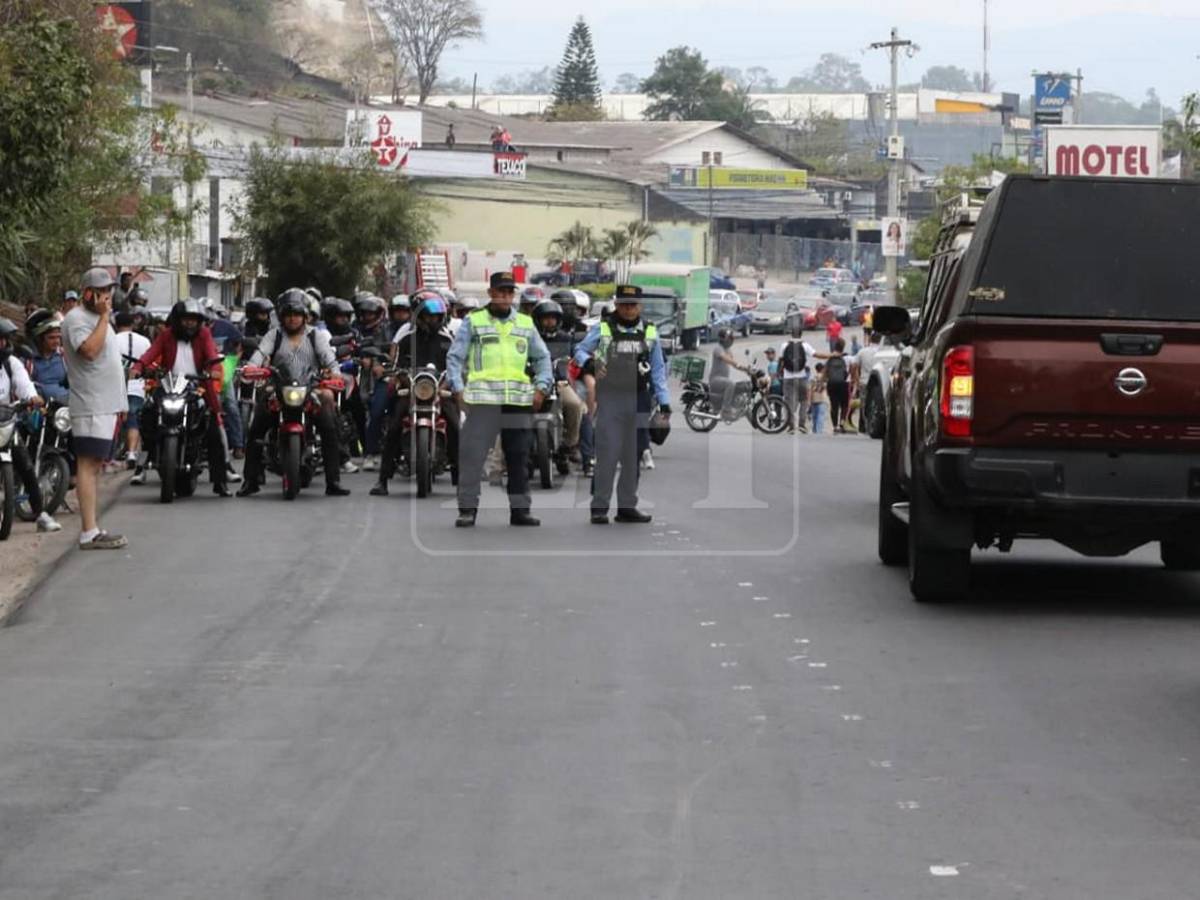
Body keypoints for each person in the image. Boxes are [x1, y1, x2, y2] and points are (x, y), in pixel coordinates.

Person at [447, 271, 551, 528]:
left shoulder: (525, 323)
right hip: (483, 401)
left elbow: (542, 358)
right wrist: (457, 388)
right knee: (473, 456)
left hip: (517, 402)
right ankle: (467, 510)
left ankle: (520, 511)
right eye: (500, 292)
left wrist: (541, 387)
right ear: (491, 293)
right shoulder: (474, 321)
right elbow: (455, 357)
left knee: (519, 457)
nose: (505, 296)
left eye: (509, 292)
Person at [237, 289, 350, 497]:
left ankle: (333, 481)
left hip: (311, 388)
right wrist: (251, 369)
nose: (292, 319)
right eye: (288, 315)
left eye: (297, 314)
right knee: (256, 427)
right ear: (281, 317)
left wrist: (335, 374)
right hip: (278, 387)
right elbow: (259, 355)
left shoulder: (315, 335)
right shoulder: (274, 335)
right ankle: (251, 480)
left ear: (305, 316)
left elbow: (330, 359)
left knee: (329, 422)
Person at [574, 285, 671, 523]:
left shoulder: (650, 331)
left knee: (633, 455)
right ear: (617, 305)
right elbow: (580, 350)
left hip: (639, 398)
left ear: (640, 306)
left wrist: (664, 402)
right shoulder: (604, 328)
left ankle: (627, 507)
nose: (628, 309)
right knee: (607, 453)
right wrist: (590, 364)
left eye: (633, 305)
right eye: (624, 305)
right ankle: (599, 508)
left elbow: (658, 369)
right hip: (611, 398)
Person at [131, 299, 231, 497]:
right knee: (148, 414)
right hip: (169, 385)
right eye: (186, 319)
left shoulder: (204, 335)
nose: (189, 323)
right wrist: (138, 367)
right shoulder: (166, 335)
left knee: (213, 427)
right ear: (177, 320)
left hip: (197, 386)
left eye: (193, 319)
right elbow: (151, 353)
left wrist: (215, 370)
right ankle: (142, 463)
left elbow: (212, 355)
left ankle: (220, 481)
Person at [61, 267, 128, 549]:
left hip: (106, 404)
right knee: (87, 466)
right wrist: (103, 317)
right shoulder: (77, 319)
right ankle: (88, 531)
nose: (106, 296)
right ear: (87, 293)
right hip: (91, 404)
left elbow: (110, 363)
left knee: (95, 465)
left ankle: (92, 527)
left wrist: (121, 402)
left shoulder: (100, 320)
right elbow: (89, 351)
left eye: (108, 290)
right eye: (100, 291)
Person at [371, 295, 457, 496]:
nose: (432, 320)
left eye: (436, 317)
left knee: (456, 426)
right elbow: (396, 366)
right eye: (428, 316)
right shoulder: (406, 340)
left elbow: (455, 367)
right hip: (412, 392)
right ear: (418, 317)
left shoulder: (447, 340)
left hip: (439, 391)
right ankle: (383, 479)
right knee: (393, 427)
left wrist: (446, 385)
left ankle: (460, 475)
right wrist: (399, 377)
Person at [0, 318, 62, 533]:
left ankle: (41, 515)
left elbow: (24, 384)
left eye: (4, 339)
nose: (2, 343)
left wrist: (33, 398)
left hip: (6, 420)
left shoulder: (11, 363)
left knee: (26, 467)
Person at [532, 299, 585, 462]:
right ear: (538, 320)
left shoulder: (566, 338)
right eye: (546, 318)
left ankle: (570, 444)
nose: (550, 321)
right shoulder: (531, 337)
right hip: (533, 383)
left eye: (553, 318)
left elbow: (575, 356)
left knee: (575, 405)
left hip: (559, 383)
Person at [354, 294, 391, 472]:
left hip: (398, 376)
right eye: (365, 314)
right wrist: (364, 359)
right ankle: (369, 452)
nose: (367, 317)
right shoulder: (357, 329)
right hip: (373, 376)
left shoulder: (395, 330)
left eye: (371, 314)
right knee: (373, 411)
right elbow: (356, 348)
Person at [114, 312, 151, 474]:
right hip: (138, 385)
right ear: (133, 325)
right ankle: (131, 452)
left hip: (116, 385)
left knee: (115, 418)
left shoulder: (112, 339)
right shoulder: (144, 341)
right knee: (133, 418)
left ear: (116, 324)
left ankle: (111, 452)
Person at [25, 310, 69, 405]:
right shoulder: (29, 361)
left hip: (65, 406)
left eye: (58, 337)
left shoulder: (63, 356)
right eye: (51, 338)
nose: (56, 341)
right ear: (40, 339)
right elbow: (24, 386)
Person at [709, 328, 749, 420]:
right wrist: (737, 364)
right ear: (723, 339)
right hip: (715, 379)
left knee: (739, 385)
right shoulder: (718, 349)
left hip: (723, 380)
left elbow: (733, 363)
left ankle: (734, 407)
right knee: (730, 384)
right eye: (729, 338)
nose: (731, 340)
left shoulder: (728, 350)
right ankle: (726, 411)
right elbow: (727, 359)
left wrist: (746, 369)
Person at [779, 333, 815, 434]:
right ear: (801, 334)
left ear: (791, 333)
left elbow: (781, 361)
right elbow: (815, 354)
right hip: (801, 377)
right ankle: (802, 425)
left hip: (788, 377)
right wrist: (831, 355)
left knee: (789, 402)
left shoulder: (784, 345)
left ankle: (791, 426)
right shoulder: (805, 345)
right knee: (804, 400)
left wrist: (779, 374)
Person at [808, 363, 829, 434]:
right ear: (823, 369)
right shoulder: (825, 378)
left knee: (814, 416)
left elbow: (809, 389)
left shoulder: (812, 378)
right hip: (822, 398)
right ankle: (819, 431)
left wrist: (809, 400)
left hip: (814, 398)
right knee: (821, 415)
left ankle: (814, 430)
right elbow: (826, 388)